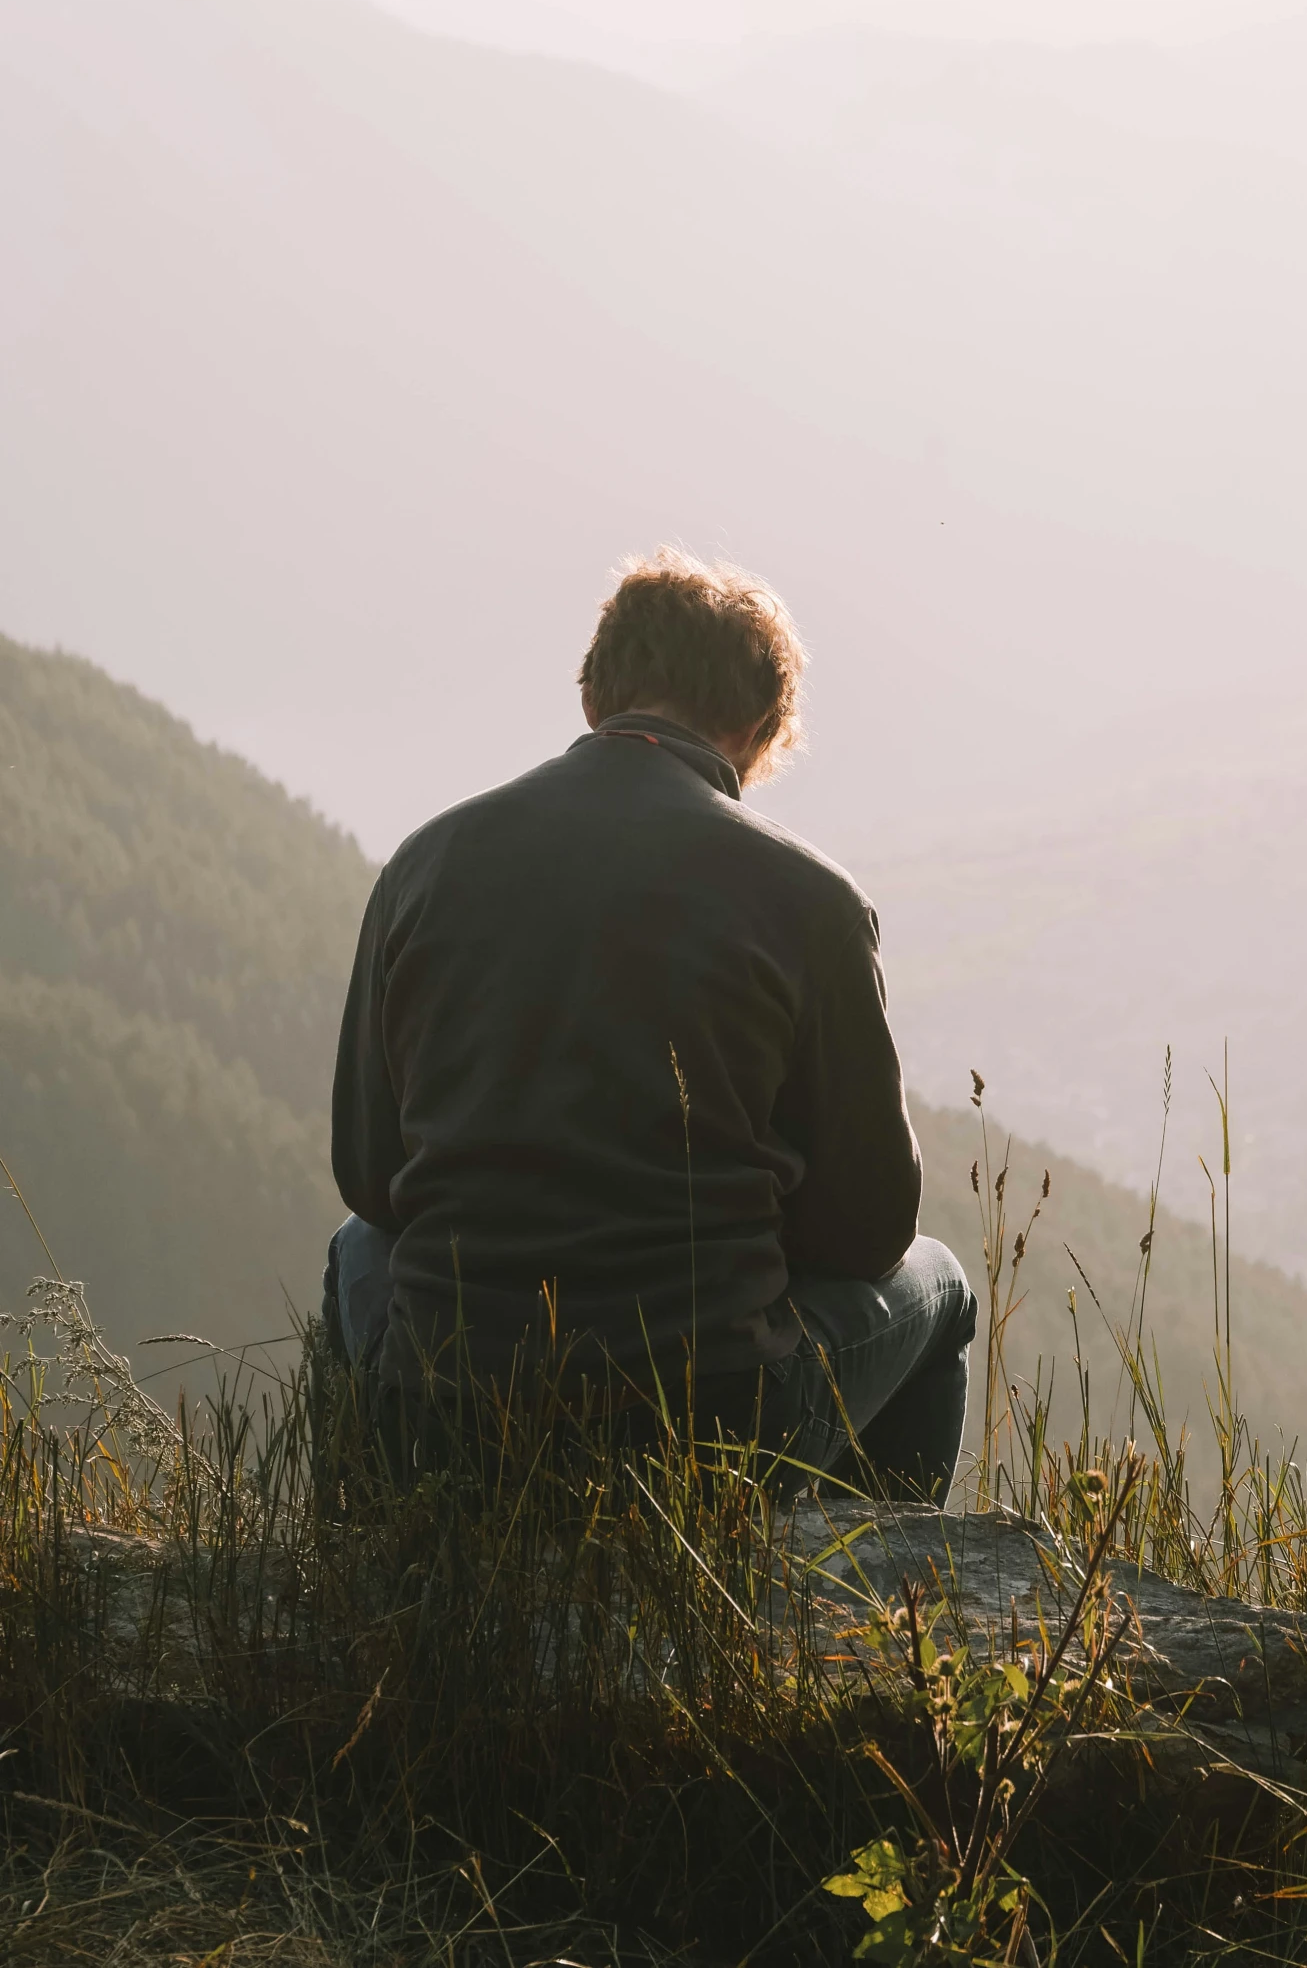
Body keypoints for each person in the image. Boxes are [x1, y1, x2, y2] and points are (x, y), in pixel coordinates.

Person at [324, 549, 975, 1497]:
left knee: (356, 1247)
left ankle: (356, 1564)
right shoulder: (813, 899)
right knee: (941, 1283)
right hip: (708, 1423)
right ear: (758, 729)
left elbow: (373, 1181)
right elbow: (872, 1232)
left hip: (449, 1407)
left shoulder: (424, 865)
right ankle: (854, 1614)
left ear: (593, 697)